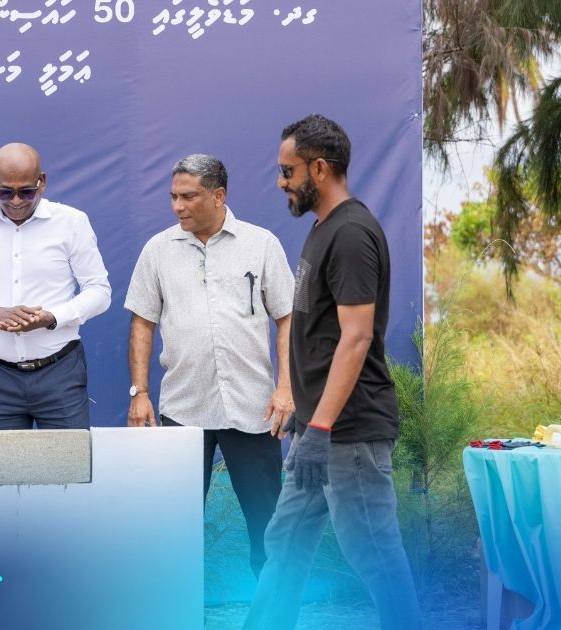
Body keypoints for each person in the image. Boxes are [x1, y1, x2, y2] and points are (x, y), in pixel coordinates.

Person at [244, 115, 421, 630]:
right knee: (286, 540)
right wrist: (309, 423)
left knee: (374, 551)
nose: (281, 181)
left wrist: (320, 428)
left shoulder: (350, 234)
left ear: (318, 168)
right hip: (317, 428)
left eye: (288, 170)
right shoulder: (324, 229)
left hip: (348, 431)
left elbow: (357, 337)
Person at [124, 153, 294, 579]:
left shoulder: (261, 245)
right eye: (173, 197)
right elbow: (142, 323)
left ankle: (273, 608)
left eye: (189, 197)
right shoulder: (158, 250)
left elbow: (289, 318)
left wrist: (286, 387)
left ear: (218, 196)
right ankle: (174, 606)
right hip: (183, 408)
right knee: (174, 524)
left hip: (253, 408)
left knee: (267, 523)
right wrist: (139, 392)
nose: (177, 206)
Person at [0, 142, 111, 431]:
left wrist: (52, 318)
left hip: (60, 374)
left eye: (27, 191)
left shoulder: (72, 222)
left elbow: (99, 291)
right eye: (5, 192)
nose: (16, 201)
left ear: (42, 181)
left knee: (67, 460)